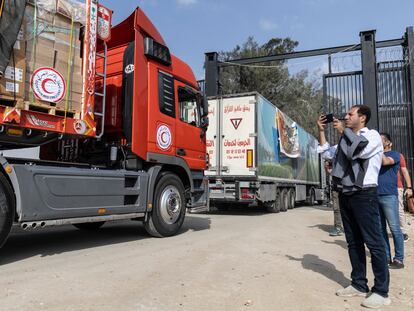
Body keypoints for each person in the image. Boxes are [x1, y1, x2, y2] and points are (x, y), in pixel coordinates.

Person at [317, 105, 390, 309]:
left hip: (364, 193)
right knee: (353, 242)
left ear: (363, 118)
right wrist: (322, 131)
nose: (346, 117)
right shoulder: (345, 138)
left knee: (374, 243)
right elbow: (328, 154)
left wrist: (344, 131)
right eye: (346, 115)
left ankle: (382, 291)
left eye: (350, 114)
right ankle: (359, 284)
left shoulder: (372, 135)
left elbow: (358, 153)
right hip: (346, 192)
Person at [378, 133, 405, 269]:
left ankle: (399, 259)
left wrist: (377, 149)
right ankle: (386, 257)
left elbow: (385, 162)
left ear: (388, 143)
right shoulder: (375, 156)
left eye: (380, 140)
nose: (377, 142)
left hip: (389, 195)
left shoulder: (394, 154)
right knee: (380, 229)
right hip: (375, 195)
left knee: (394, 228)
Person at [324, 160, 343, 236]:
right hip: (335, 188)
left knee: (349, 209)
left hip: (347, 187)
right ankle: (338, 227)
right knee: (336, 209)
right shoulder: (335, 158)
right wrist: (326, 167)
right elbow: (329, 171)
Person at [397, 153, 412, 241]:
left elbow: (404, 171)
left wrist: (409, 187)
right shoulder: (375, 153)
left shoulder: (398, 155)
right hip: (379, 187)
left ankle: (403, 232)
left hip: (397, 187)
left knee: (399, 209)